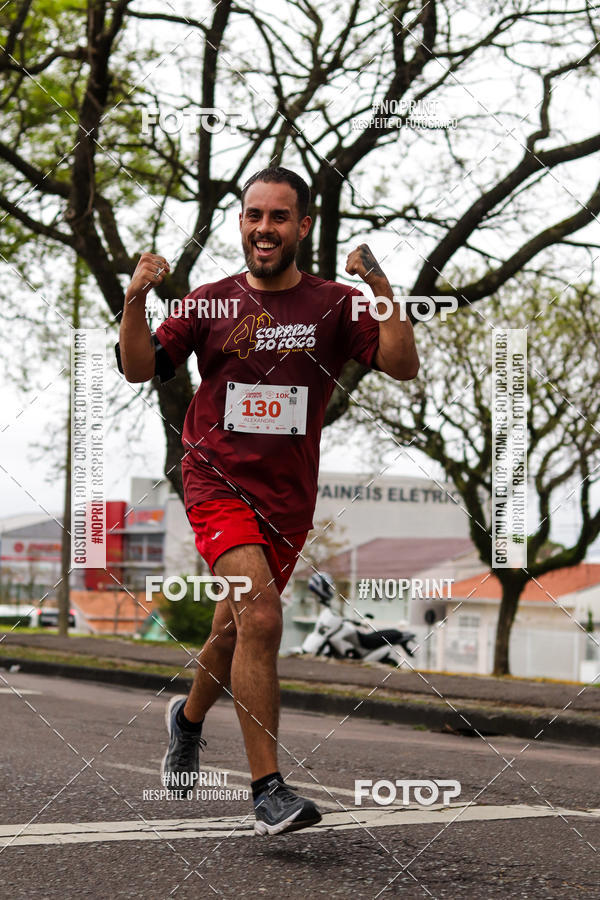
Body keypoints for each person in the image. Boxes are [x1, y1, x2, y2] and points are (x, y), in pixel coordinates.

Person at [116, 166, 419, 836]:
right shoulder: (208, 302)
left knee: (237, 628)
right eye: (254, 215)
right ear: (242, 221)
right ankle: (269, 792)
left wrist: (381, 287)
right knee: (259, 615)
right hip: (215, 478)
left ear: (302, 226)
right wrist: (136, 301)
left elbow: (401, 363)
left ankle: (187, 720)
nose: (264, 229)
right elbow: (140, 367)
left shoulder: (335, 305)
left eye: (279, 217)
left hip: (288, 496)